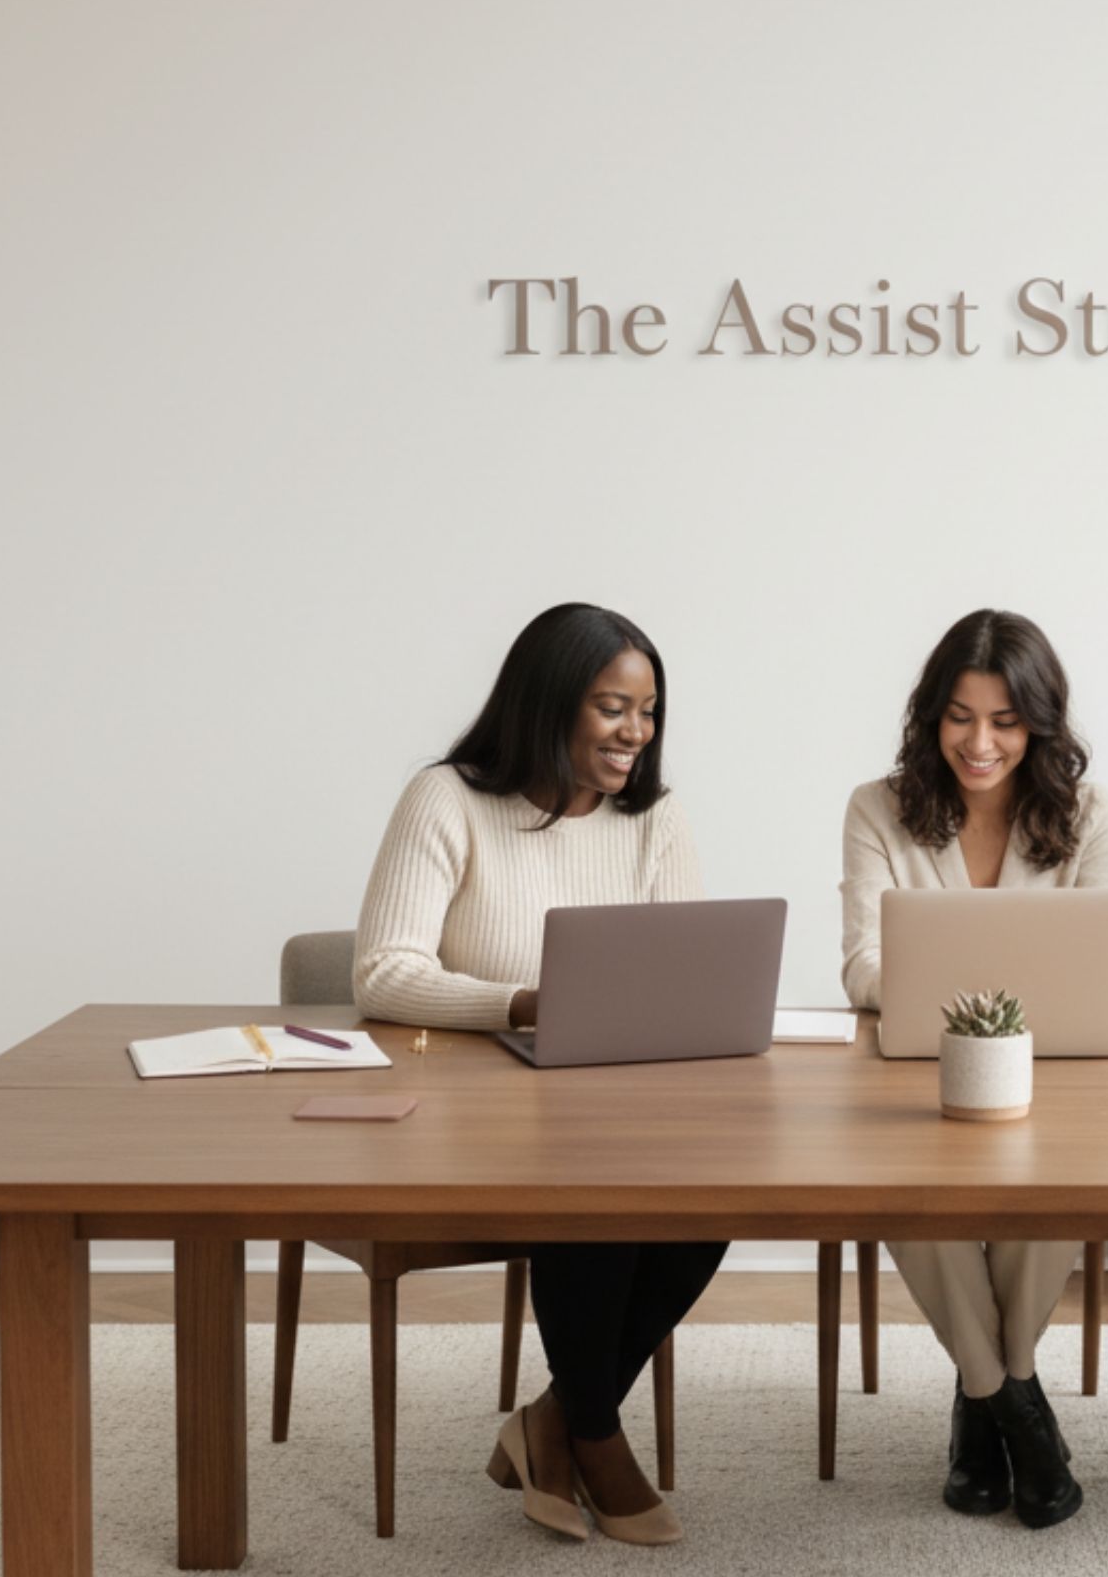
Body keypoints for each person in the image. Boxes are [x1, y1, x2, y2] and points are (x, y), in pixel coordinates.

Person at [353, 602, 724, 1547]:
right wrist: (520, 1003)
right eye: (612, 708)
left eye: (647, 711)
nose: (636, 733)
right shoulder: (449, 799)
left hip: (620, 1104)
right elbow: (382, 972)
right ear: (550, 703)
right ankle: (595, 1436)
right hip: (476, 1116)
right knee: (589, 1197)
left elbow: (679, 968)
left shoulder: (655, 820)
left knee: (715, 1205)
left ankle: (553, 1419)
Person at [840, 608, 1108, 1530]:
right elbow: (864, 967)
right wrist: (993, 1002)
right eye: (960, 717)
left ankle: (983, 1399)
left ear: (1039, 723)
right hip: (919, 1071)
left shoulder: (1088, 813)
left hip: (1054, 1072)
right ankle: (1015, 1400)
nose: (981, 742)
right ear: (931, 718)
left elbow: (1101, 968)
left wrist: (965, 992)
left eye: (1005, 721)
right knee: (900, 1186)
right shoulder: (877, 808)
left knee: (1057, 1179)